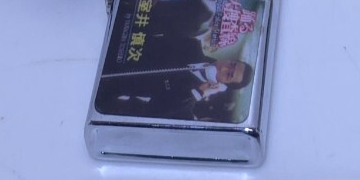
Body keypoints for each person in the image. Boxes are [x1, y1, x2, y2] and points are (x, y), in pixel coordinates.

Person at [97, 59, 253, 120]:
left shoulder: (187, 99)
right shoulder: (191, 45)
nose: (224, 68)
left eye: (229, 75)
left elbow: (156, 111)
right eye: (231, 64)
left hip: (107, 89)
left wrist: (198, 93)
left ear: (222, 85)